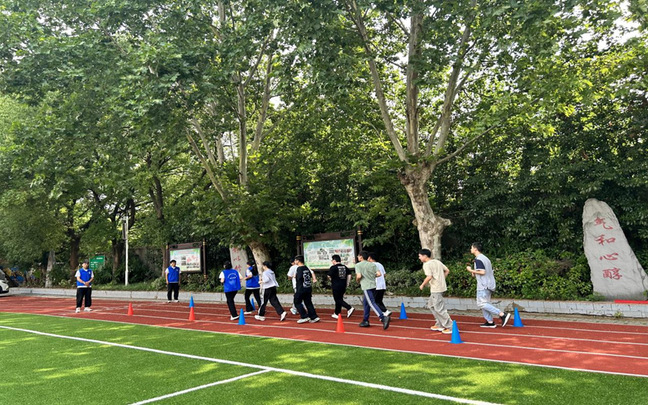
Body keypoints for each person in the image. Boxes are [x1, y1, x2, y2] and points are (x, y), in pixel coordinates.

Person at [466, 242, 511, 328]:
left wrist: (470, 270)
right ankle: (490, 321)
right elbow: (482, 271)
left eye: (471, 248)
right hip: (489, 283)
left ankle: (502, 314)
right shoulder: (485, 258)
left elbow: (482, 272)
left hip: (483, 285)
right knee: (485, 303)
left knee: (481, 303)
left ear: (475, 249)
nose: (470, 249)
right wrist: (474, 272)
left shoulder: (478, 259)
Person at [418, 249, 453, 334]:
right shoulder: (437, 262)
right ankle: (439, 324)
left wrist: (422, 284)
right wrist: (442, 279)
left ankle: (450, 326)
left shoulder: (427, 264)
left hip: (436, 289)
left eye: (420, 256)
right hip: (439, 287)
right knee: (431, 305)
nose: (419, 258)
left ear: (425, 256)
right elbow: (447, 270)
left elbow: (429, 276)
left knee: (439, 308)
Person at [355, 251, 390, 329]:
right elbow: (379, 274)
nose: (358, 257)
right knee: (366, 303)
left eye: (358, 256)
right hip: (373, 285)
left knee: (371, 302)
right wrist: (372, 277)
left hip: (366, 286)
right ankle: (365, 320)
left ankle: (383, 317)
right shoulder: (372, 264)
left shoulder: (358, 265)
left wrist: (357, 280)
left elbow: (359, 276)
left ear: (361, 257)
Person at [293, 255, 320, 323]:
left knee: (297, 302)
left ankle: (304, 316)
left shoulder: (299, 268)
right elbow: (310, 275)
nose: (295, 261)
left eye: (295, 260)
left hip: (301, 288)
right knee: (308, 302)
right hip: (308, 287)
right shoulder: (306, 268)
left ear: (298, 261)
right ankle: (314, 316)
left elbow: (299, 278)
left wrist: (295, 276)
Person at [327, 254, 355, 319]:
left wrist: (332, 280)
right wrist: (347, 283)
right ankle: (337, 313)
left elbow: (329, 276)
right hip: (343, 285)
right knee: (340, 299)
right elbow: (349, 274)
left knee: (337, 299)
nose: (332, 262)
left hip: (336, 285)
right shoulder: (344, 267)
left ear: (334, 260)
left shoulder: (333, 267)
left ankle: (349, 308)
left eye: (332, 260)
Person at [368, 252, 390, 316]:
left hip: (376, 285)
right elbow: (384, 274)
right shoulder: (380, 264)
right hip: (382, 285)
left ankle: (385, 311)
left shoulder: (371, 265)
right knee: (379, 301)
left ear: (370, 258)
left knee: (374, 301)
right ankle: (384, 313)